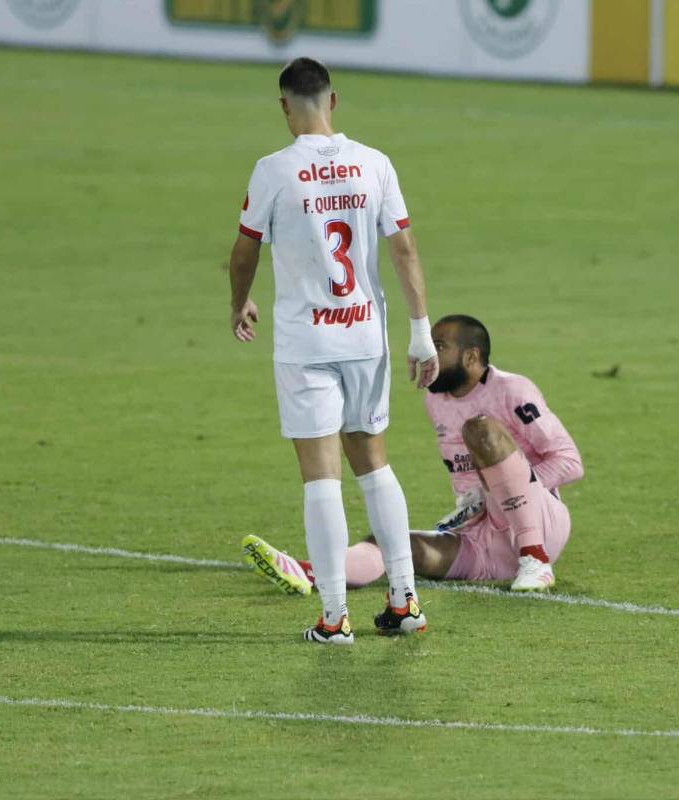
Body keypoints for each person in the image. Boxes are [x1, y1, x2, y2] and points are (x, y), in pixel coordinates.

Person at [229, 57, 439, 647]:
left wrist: (238, 301)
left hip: (306, 342)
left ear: (283, 107)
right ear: (333, 101)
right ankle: (404, 600)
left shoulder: (273, 170)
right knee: (374, 463)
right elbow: (405, 249)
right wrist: (420, 329)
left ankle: (334, 616)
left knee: (319, 476)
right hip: (364, 335)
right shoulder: (374, 163)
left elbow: (245, 249)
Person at [243, 314, 583, 599]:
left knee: (480, 430)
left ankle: (535, 560)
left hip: (538, 522)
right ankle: (310, 572)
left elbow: (569, 461)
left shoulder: (512, 390)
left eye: (439, 347)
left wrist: (507, 489)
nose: (428, 354)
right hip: (483, 540)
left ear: (470, 357)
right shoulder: (436, 402)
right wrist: (473, 500)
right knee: (393, 543)